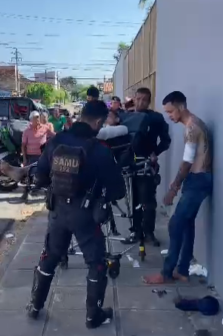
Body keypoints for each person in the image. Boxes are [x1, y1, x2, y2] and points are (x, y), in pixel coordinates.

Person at [26, 100, 126, 329]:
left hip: (58, 212)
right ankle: (93, 316)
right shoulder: (100, 149)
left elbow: (40, 178)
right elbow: (118, 190)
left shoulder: (56, 141)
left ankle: (34, 306)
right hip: (86, 215)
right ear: (99, 122)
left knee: (49, 257)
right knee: (96, 263)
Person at [143, 91, 212, 284]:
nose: (169, 116)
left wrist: (173, 188)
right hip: (199, 179)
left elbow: (187, 162)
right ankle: (182, 270)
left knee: (176, 224)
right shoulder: (196, 124)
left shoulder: (192, 128)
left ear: (181, 107)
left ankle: (166, 273)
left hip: (198, 180)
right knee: (187, 224)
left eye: (171, 111)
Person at [121, 87, 171, 246]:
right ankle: (136, 231)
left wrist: (155, 152)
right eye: (139, 98)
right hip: (129, 164)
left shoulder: (156, 118)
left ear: (149, 101)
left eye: (145, 99)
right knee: (132, 200)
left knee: (147, 200)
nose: (141, 102)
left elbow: (165, 140)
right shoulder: (126, 117)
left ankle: (149, 232)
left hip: (147, 164)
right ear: (134, 99)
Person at [21, 111, 55, 201]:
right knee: (28, 176)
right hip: (30, 156)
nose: (38, 119)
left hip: (42, 156)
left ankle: (47, 192)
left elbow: (54, 135)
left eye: (38, 117)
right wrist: (24, 158)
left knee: (47, 174)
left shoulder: (45, 128)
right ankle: (25, 192)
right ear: (31, 120)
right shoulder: (26, 131)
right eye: (35, 117)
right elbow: (23, 145)